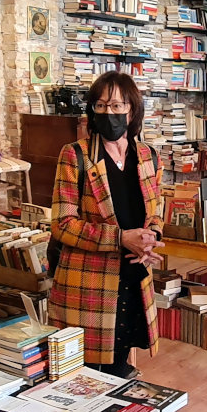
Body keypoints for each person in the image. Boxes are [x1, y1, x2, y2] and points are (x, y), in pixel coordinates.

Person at [49, 72, 165, 376]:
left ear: (132, 110)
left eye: (116, 106)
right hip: (90, 283)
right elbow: (62, 224)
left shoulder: (149, 156)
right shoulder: (75, 155)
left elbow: (155, 212)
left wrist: (152, 236)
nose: (108, 113)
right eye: (100, 106)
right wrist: (120, 238)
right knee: (88, 373)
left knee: (120, 365)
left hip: (135, 276)